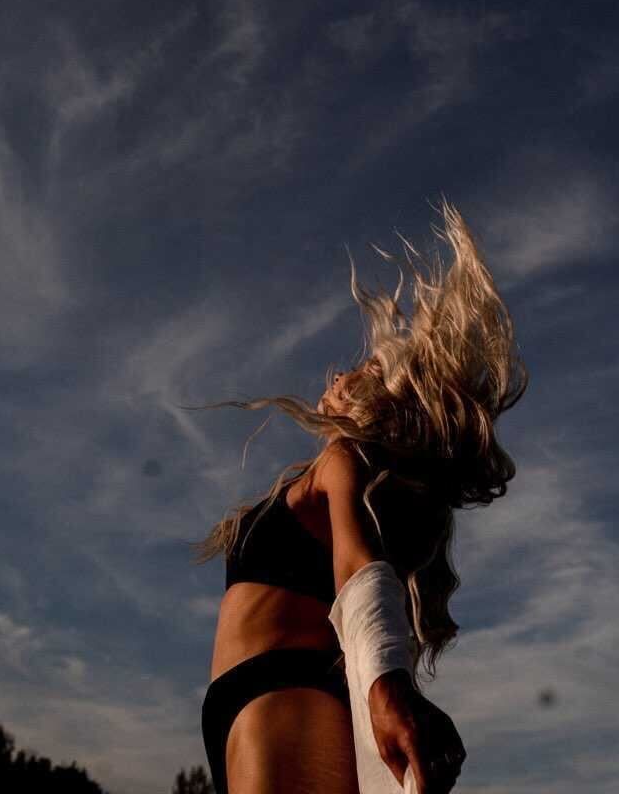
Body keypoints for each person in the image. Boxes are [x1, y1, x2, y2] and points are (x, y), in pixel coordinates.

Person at [187, 199, 528, 794]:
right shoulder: (328, 471)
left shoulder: (346, 462)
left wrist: (388, 686)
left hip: (283, 689)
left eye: (365, 366)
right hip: (249, 696)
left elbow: (358, 562)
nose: (339, 374)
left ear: (381, 394)